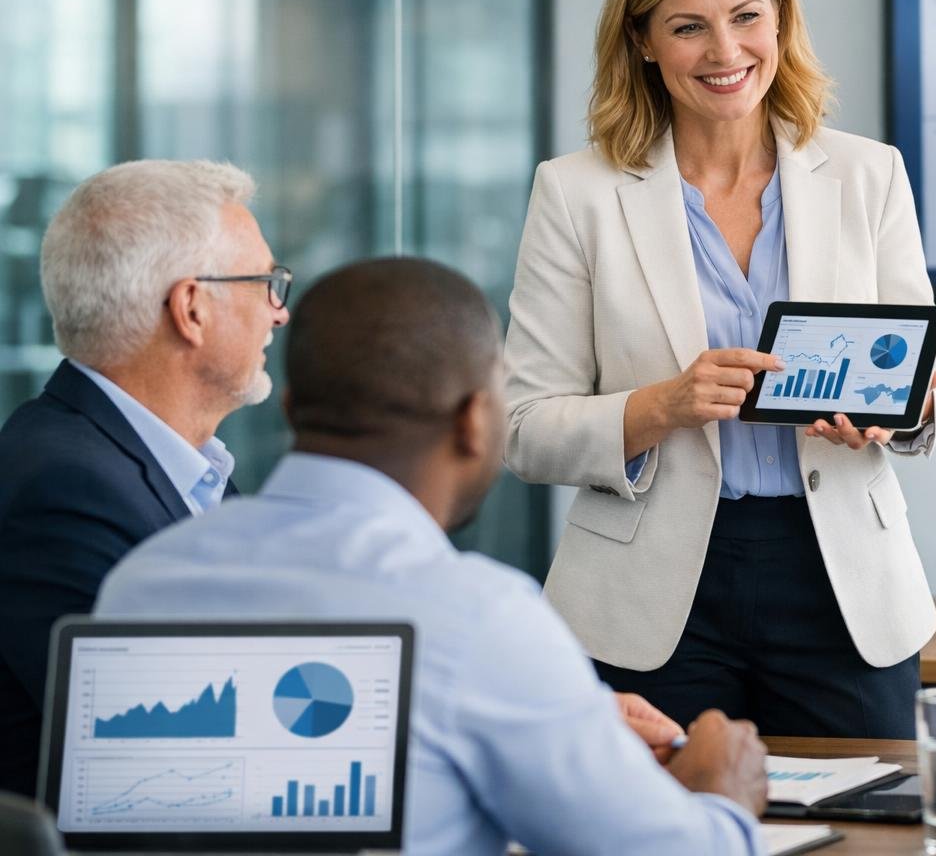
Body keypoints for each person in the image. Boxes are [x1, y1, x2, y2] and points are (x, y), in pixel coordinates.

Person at [96, 258, 768, 856]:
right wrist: (720, 791)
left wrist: (563, 712)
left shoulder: (142, 580)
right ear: (475, 420)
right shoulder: (477, 615)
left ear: (296, 408)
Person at [502, 0, 936, 738]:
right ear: (641, 39)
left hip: (841, 580)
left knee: (869, 826)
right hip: (649, 593)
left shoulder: (868, 175)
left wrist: (909, 402)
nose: (725, 52)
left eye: (747, 17)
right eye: (688, 27)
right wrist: (661, 407)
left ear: (780, 19)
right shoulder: (576, 194)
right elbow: (526, 427)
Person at [0, 159, 289, 797]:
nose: (279, 313)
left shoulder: (172, 469)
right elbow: (179, 752)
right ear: (191, 308)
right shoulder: (61, 489)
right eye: (267, 283)